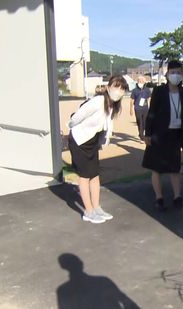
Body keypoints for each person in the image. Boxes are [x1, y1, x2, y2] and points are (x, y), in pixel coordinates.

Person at [68, 75, 128, 223]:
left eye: (121, 88)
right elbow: (77, 116)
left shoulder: (112, 105)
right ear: (108, 87)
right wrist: (70, 126)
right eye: (116, 86)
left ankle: (96, 207)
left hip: (92, 142)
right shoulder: (97, 101)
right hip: (80, 140)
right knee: (85, 176)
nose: (118, 91)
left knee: (94, 175)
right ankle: (88, 211)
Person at [142, 60, 183, 211]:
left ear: (182, 74)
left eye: (178, 72)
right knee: (157, 168)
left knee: (175, 168)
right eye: (173, 72)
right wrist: (148, 133)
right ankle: (159, 198)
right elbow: (152, 113)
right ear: (167, 74)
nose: (176, 75)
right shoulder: (159, 91)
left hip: (175, 135)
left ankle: (177, 197)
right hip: (158, 134)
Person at [130, 76, 152, 142]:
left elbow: (149, 99)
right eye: (139, 81)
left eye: (142, 81)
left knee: (145, 122)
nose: (141, 82)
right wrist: (131, 109)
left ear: (144, 82)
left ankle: (142, 133)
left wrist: (151, 107)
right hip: (137, 108)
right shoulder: (134, 90)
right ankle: (141, 135)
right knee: (139, 122)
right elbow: (132, 100)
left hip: (145, 108)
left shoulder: (147, 90)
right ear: (137, 82)